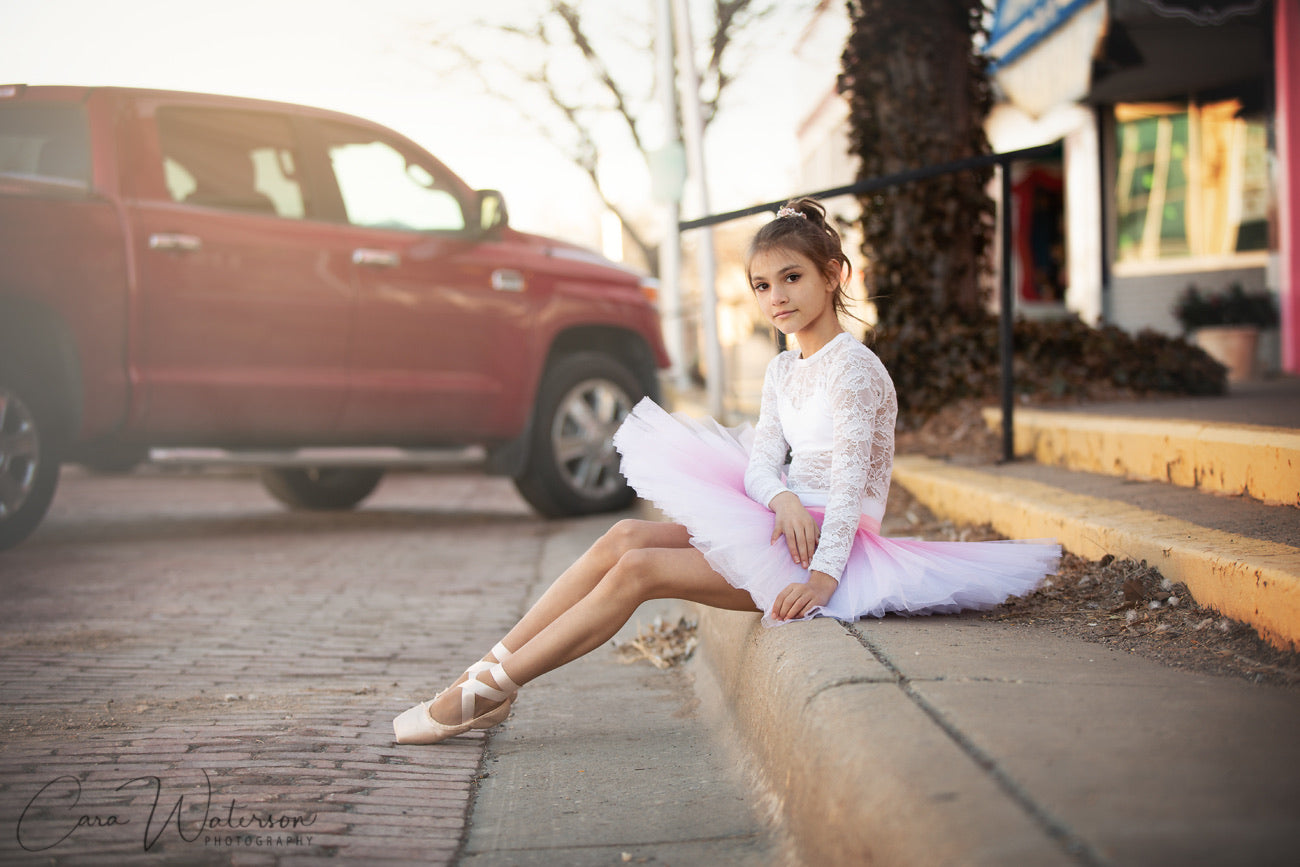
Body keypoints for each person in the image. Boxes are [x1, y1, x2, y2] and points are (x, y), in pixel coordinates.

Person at [393, 197, 1060, 745]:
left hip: (834, 553)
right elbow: (764, 460)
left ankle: (484, 694)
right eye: (763, 285)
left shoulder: (856, 370)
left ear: (835, 275)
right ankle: (483, 672)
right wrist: (782, 500)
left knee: (640, 570)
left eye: (792, 278)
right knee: (623, 537)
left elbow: (854, 486)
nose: (776, 297)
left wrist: (824, 576)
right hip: (787, 524)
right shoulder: (781, 369)